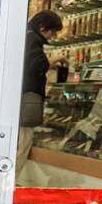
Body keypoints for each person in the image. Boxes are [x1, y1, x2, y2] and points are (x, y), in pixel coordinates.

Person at [19, 10, 63, 179]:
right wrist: (54, 60)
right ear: (43, 27)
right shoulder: (34, 40)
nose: (52, 36)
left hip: (20, 96)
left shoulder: (25, 36)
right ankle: (8, 185)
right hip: (28, 99)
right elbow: (37, 65)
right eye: (52, 31)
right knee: (23, 143)